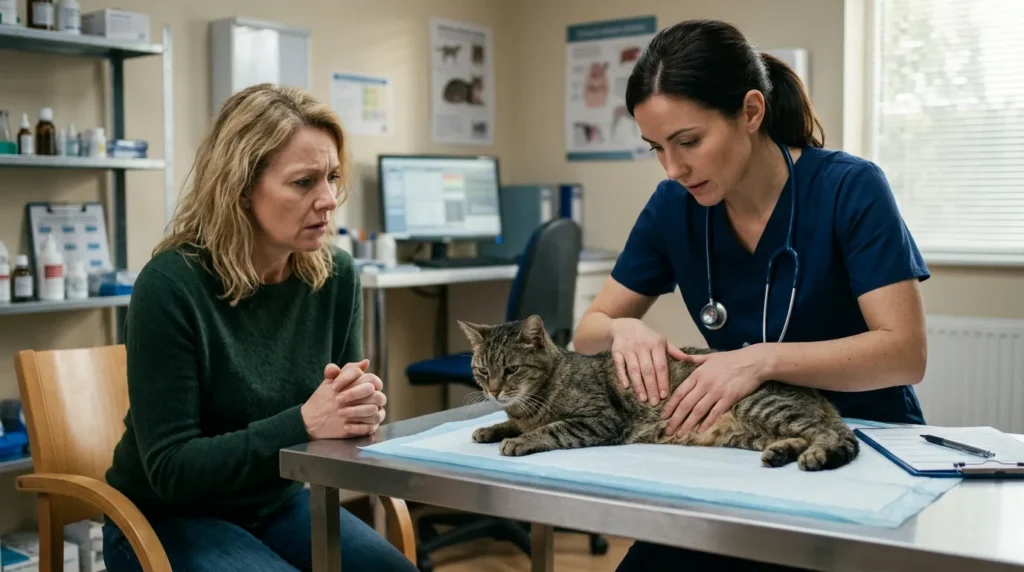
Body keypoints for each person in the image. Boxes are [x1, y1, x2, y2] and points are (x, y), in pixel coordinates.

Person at [572, 19, 930, 571]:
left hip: (859, 446)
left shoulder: (849, 189)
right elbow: (588, 330)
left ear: (751, 112)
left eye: (689, 142)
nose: (674, 169)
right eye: (657, 149)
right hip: (743, 452)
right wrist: (623, 327)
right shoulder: (673, 207)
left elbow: (904, 354)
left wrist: (759, 361)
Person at [102, 84, 417, 572]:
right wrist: (307, 422)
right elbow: (170, 470)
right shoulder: (170, 285)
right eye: (303, 182)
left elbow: (334, 422)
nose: (329, 200)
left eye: (332, 177)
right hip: (166, 517)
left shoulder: (336, 277)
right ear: (241, 188)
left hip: (276, 503)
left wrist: (358, 415)